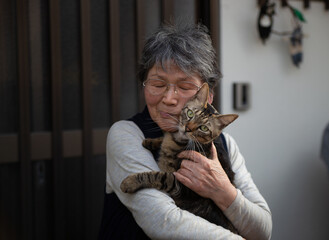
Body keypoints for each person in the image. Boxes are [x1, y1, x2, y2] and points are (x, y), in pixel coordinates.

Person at [98, 23, 272, 240]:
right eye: (158, 84)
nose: (169, 98)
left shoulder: (226, 144)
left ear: (207, 97)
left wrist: (223, 191)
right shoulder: (126, 135)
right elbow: (163, 221)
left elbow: (262, 230)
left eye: (185, 86)